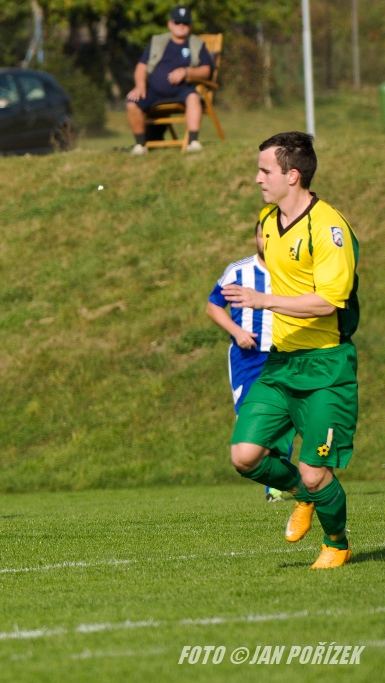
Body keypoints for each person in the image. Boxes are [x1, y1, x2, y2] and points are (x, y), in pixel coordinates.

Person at [223, 132, 359, 569]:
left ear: (293, 175)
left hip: (326, 365)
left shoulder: (329, 229)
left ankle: (336, 543)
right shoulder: (267, 219)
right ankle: (303, 495)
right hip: (281, 362)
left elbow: (327, 303)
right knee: (245, 456)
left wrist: (263, 301)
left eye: (265, 170)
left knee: (316, 472)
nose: (257, 178)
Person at [206, 225, 293, 503]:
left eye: (270, 235)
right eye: (260, 235)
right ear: (255, 238)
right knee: (251, 421)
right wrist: (237, 332)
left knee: (283, 419)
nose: (265, 241)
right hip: (248, 359)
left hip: (285, 355)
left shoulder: (294, 271)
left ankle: (276, 487)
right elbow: (213, 305)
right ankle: (277, 478)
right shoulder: (238, 272)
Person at [125, 5, 213, 155]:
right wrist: (139, 86)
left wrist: (186, 71)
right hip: (152, 91)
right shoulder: (157, 42)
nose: (181, 26)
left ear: (190, 25)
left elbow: (206, 70)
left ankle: (193, 141)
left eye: (185, 23)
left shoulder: (197, 44)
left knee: (193, 97)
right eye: (178, 22)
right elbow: (141, 66)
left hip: (182, 90)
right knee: (132, 102)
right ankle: (140, 145)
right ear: (170, 24)